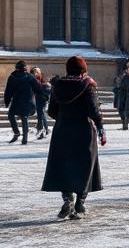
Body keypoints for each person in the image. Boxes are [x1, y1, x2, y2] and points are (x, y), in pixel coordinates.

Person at [42, 55, 106, 220]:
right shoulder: (87, 86)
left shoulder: (58, 86)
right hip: (83, 130)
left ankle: (67, 198)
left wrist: (64, 118)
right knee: (84, 166)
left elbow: (51, 112)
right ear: (83, 69)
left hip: (62, 130)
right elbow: (93, 110)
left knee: (64, 165)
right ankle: (79, 204)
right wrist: (100, 127)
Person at [4, 60, 38, 145]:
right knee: (24, 117)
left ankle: (18, 133)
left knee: (13, 115)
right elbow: (37, 88)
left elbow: (8, 90)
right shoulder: (30, 76)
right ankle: (24, 138)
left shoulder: (13, 77)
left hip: (20, 100)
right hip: (27, 101)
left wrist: (7, 101)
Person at [31, 67, 52, 139]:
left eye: (36, 72)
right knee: (41, 115)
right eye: (34, 72)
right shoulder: (35, 79)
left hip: (41, 99)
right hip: (38, 99)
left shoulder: (42, 79)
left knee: (40, 115)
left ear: (39, 72)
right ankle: (46, 130)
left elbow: (46, 87)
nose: (35, 73)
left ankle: (41, 132)